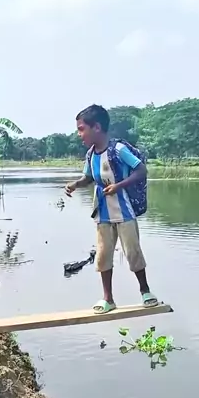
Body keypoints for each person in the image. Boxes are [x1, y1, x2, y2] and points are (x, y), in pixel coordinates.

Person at [65, 104, 157, 314]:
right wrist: (75, 184)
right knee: (103, 253)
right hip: (103, 212)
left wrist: (119, 186)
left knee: (132, 251)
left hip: (124, 210)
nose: (79, 134)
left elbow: (141, 170)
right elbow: (88, 177)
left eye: (81, 129)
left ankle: (145, 291)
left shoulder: (118, 149)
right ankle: (108, 298)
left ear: (97, 127)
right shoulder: (91, 154)